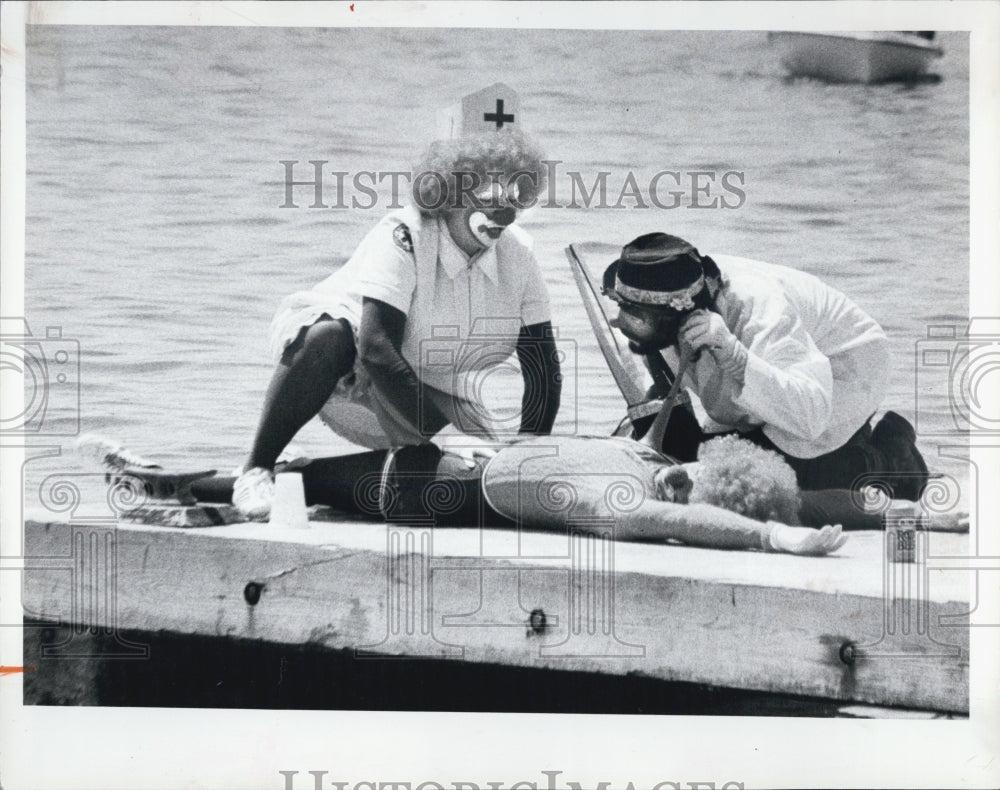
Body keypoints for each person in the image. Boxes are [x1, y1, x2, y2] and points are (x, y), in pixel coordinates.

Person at [235, 87, 561, 520]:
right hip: (349, 381)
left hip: (431, 392)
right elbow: (375, 349)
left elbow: (543, 370)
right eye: (489, 200)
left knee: (474, 473)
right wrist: (445, 436)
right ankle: (256, 469)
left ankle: (299, 477)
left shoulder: (519, 254)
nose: (505, 216)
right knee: (327, 335)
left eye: (515, 201)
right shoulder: (404, 234)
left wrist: (528, 453)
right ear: (449, 192)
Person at [601, 232, 930, 500]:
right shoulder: (671, 282)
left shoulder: (760, 307)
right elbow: (656, 350)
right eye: (620, 306)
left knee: (764, 483)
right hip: (778, 371)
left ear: (684, 312)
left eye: (636, 318)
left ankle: (889, 457)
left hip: (847, 364)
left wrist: (734, 355)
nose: (620, 322)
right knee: (698, 455)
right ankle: (845, 442)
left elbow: (810, 413)